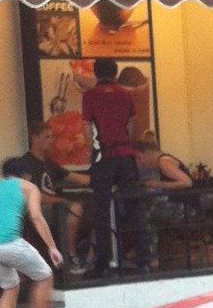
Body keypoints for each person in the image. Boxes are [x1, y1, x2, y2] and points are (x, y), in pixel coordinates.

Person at [0, 159, 64, 308]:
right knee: (45, 275)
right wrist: (52, 247)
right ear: (27, 174)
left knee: (10, 286)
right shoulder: (29, 187)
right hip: (10, 242)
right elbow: (37, 217)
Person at [81, 57, 142, 278]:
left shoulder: (90, 96)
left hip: (104, 156)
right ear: (115, 73)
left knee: (101, 211)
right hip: (125, 155)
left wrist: (93, 151)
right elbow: (131, 125)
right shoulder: (127, 95)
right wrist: (126, 144)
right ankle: (144, 257)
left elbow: (87, 128)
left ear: (96, 73)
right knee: (133, 205)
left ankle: (102, 262)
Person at [16, 119, 90, 273]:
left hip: (55, 208)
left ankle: (92, 259)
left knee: (98, 210)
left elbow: (77, 178)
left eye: (52, 137)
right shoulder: (26, 163)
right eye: (47, 137)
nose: (52, 141)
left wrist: (105, 179)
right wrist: (61, 200)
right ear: (35, 138)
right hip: (36, 212)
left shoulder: (50, 164)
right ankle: (70, 255)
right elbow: (32, 196)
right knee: (74, 208)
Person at [133, 135, 196, 271]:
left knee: (143, 214)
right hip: (183, 204)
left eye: (139, 157)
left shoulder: (164, 163)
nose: (139, 162)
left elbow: (187, 182)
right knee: (148, 212)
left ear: (147, 152)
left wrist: (157, 184)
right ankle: (151, 255)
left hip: (187, 207)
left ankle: (150, 259)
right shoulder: (164, 161)